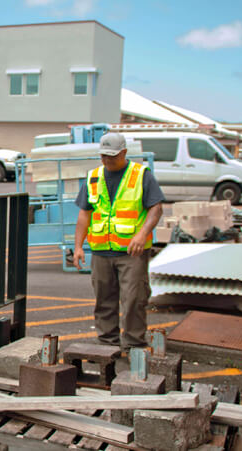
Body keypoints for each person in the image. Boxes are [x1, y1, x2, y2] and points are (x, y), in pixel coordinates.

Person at [73, 133, 164, 351]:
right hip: (101, 251)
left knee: (134, 299)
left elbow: (156, 208)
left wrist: (142, 234)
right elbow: (85, 214)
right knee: (104, 300)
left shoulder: (140, 175)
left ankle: (134, 344)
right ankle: (107, 344)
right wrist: (78, 247)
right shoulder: (93, 177)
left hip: (131, 253)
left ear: (124, 152)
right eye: (103, 156)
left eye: (112, 156)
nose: (107, 160)